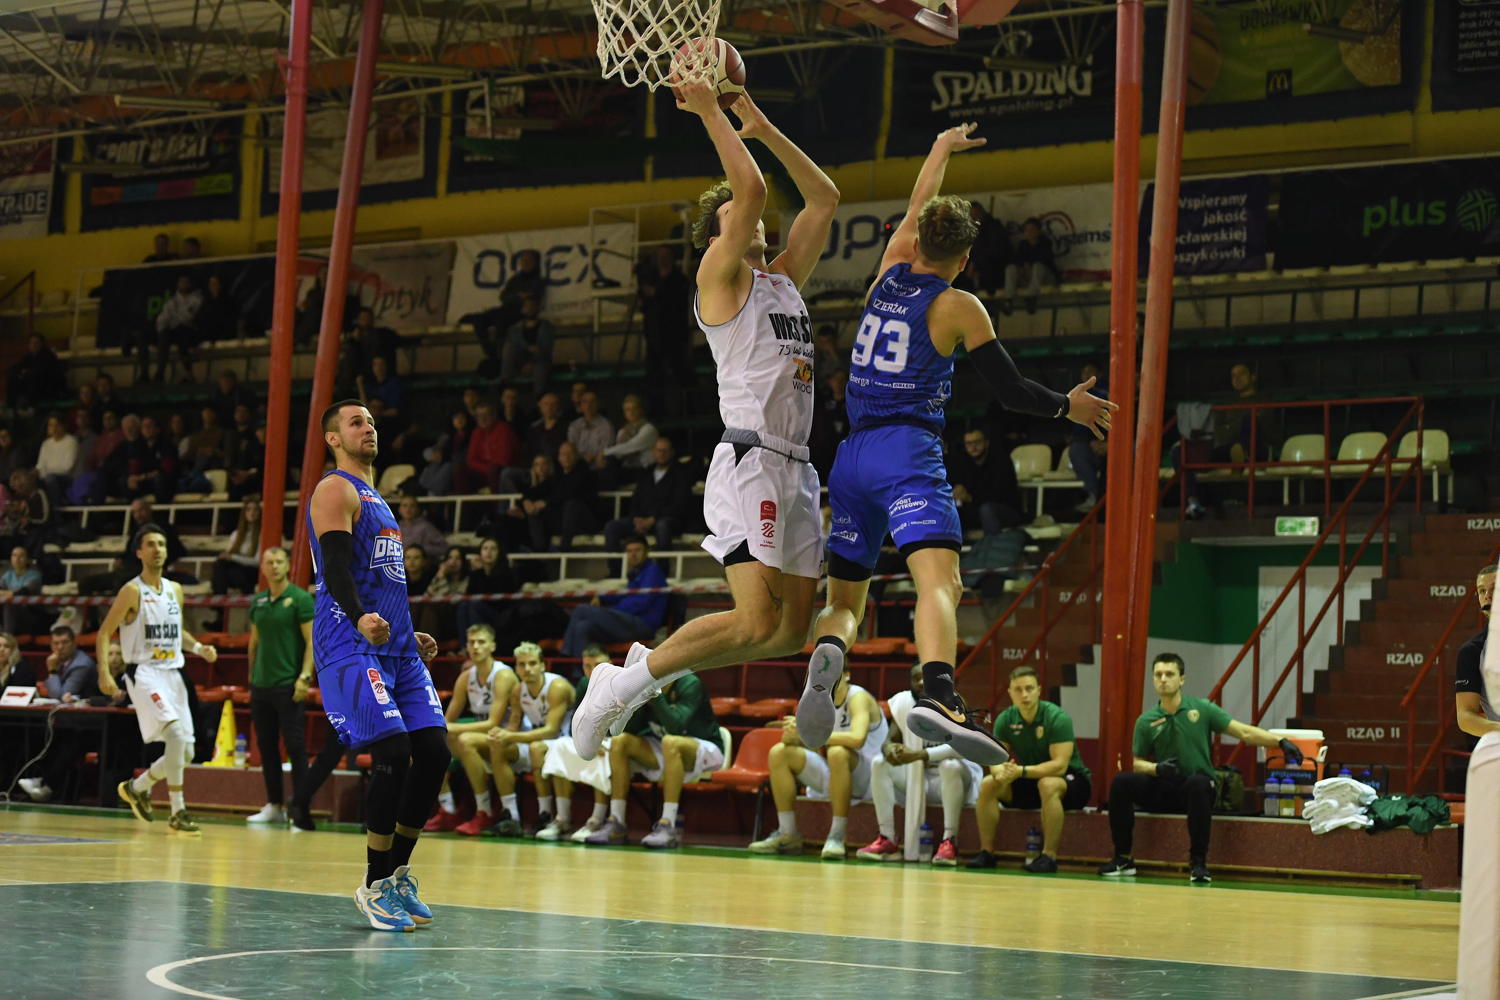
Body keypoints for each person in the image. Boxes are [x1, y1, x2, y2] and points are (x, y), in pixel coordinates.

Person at [797, 123, 1113, 766]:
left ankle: (828, 654)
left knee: (846, 599)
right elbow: (1010, 391)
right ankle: (940, 694)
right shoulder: (959, 306)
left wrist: (938, 148)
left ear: (915, 242)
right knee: (940, 581)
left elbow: (918, 204)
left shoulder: (888, 272)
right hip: (907, 453)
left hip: (851, 458)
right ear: (965, 259)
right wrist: (1068, 406)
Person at [571, 85, 840, 760]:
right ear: (716, 235)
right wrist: (712, 112)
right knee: (752, 618)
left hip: (798, 467)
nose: (752, 217)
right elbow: (750, 189)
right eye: (734, 216)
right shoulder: (719, 278)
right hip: (751, 461)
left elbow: (824, 198)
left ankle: (641, 673)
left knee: (787, 634)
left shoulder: (783, 279)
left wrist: (765, 126)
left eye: (749, 216)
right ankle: (619, 686)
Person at [307, 398, 448, 931]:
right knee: (392, 750)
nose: (367, 428)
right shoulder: (334, 489)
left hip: (396, 646)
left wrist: (410, 633)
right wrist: (361, 616)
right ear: (333, 438)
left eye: (370, 421)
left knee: (434, 752)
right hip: (350, 641)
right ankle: (373, 885)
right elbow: (337, 569)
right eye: (355, 422)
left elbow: (385, 578)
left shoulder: (378, 499)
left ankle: (397, 875)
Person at [1101, 653, 1303, 884]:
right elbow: (1137, 763)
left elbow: (1244, 732)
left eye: (1169, 674)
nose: (1163, 679)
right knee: (1121, 783)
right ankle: (1123, 858)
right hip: (1164, 786)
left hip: (1196, 789)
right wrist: (1157, 768)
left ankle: (1198, 863)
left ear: (1182, 679)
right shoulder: (1146, 721)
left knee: (1199, 784)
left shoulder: (1202, 709)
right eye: (1158, 675)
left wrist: (1280, 742)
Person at [96, 523, 219, 835]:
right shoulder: (132, 590)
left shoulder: (175, 589)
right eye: (150, 544)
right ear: (139, 552)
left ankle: (137, 787)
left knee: (186, 752)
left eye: (161, 544)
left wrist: (199, 647)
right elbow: (104, 633)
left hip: (173, 673)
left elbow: (178, 632)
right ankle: (178, 811)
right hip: (144, 672)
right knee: (175, 735)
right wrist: (104, 672)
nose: (157, 550)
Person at [748, 664, 886, 858]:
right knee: (779, 752)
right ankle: (787, 833)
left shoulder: (858, 697)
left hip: (871, 778)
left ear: (847, 675)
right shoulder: (818, 702)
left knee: (837, 752)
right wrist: (795, 735)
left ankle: (836, 836)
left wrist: (811, 733)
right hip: (838, 775)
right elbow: (809, 743)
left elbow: (857, 739)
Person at [966, 666, 1091, 872]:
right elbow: (995, 758)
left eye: (1029, 688)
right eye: (1018, 689)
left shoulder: (1057, 718)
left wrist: (1020, 772)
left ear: (1039, 690)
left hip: (1072, 781)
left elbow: (1059, 766)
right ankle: (986, 853)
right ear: (1010, 692)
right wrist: (1000, 773)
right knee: (988, 784)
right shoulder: (1006, 719)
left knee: (1048, 784)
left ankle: (1049, 856)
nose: (1024, 694)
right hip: (1032, 780)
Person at [860, 664, 983, 864]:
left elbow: (961, 748)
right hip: (919, 779)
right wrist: (890, 749)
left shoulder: (956, 704)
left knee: (949, 766)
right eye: (915, 678)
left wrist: (920, 755)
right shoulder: (904, 703)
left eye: (925, 677)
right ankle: (887, 839)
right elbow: (890, 740)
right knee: (880, 763)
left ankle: (949, 841)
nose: (921, 682)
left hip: (955, 782)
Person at [592, 673, 721, 849]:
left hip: (704, 746)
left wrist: (656, 696)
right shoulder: (646, 685)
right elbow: (631, 730)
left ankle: (668, 824)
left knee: (671, 742)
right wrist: (636, 702)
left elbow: (676, 727)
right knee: (620, 742)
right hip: (663, 745)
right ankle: (617, 822)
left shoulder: (690, 683)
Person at [241, 547, 315, 825]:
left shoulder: (300, 599)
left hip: (289, 684)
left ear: (287, 565)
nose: (274, 566)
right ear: (262, 567)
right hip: (261, 685)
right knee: (267, 747)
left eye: (279, 562)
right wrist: (251, 678)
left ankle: (301, 809)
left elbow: (311, 642)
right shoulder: (258, 601)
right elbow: (254, 642)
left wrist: (304, 677)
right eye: (269, 562)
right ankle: (274, 805)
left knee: (295, 747)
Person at [425, 624, 518, 835]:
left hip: (509, 737)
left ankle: (484, 811)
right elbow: (447, 720)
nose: (475, 647)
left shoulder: (503, 675)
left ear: (492, 646)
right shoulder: (467, 677)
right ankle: (448, 809)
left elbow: (493, 723)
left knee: (465, 740)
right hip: (483, 736)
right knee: (429, 743)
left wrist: (450, 727)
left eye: (481, 642)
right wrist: (439, 730)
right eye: (471, 642)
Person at [485, 641, 574, 838]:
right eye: (522, 664)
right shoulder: (518, 690)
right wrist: (501, 734)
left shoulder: (557, 686)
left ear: (542, 665)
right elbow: (513, 725)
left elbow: (551, 731)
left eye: (532, 663)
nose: (527, 669)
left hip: (564, 743)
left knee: (536, 748)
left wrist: (511, 735)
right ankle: (511, 815)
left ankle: (545, 813)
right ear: (516, 668)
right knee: (498, 746)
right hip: (536, 742)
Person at [15, 627, 101, 802]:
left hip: (92, 724)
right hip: (69, 722)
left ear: (74, 643)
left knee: (65, 742)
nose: (60, 647)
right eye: (56, 643)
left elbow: (61, 694)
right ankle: (40, 781)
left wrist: (52, 671)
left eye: (64, 643)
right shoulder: (63, 661)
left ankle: (47, 785)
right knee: (34, 735)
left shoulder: (81, 664)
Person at [562, 536, 668, 657]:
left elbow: (642, 602)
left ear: (646, 552)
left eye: (637, 550)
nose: (633, 554)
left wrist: (611, 610)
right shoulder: (637, 573)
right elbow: (625, 595)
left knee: (582, 610)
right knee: (583, 627)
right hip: (629, 623)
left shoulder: (652, 571)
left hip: (642, 625)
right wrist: (602, 598)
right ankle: (578, 668)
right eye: (629, 551)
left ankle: (565, 654)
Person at [604, 436, 694, 553]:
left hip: (668, 521)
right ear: (653, 452)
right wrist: (637, 519)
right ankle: (616, 565)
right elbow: (635, 500)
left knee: (663, 526)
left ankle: (662, 565)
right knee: (612, 527)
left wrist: (653, 519)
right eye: (659, 450)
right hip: (642, 520)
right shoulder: (646, 472)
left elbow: (679, 505)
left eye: (665, 451)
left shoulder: (680, 474)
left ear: (672, 452)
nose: (661, 454)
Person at [948, 426, 1024, 535]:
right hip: (975, 509)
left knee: (987, 509)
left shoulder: (1001, 461)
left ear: (986, 443)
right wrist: (957, 491)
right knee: (951, 508)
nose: (973, 447)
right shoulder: (963, 462)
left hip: (1005, 509)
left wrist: (970, 497)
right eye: (969, 443)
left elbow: (999, 495)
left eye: (977, 442)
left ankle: (992, 544)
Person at [1455, 563, 1498, 739]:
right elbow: (1466, 718)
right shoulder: (1472, 651)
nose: (1487, 596)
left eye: (1494, 588)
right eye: (1481, 591)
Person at [1068, 362, 1109, 511]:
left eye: (1090, 372)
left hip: (1113, 443)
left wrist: (1108, 442)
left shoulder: (1109, 393)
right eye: (1084, 372)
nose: (1086, 375)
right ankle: (1094, 495)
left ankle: (1112, 499)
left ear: (1099, 375)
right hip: (1089, 445)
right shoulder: (1076, 396)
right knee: (1076, 451)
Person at [149, 274, 204, 382]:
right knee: (164, 334)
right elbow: (162, 320)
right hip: (173, 331)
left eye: (185, 282)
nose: (183, 284)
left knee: (181, 335)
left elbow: (188, 318)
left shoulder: (197, 299)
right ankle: (160, 372)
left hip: (189, 331)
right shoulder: (172, 301)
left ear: (190, 284)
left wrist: (175, 318)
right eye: (181, 282)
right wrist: (169, 323)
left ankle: (188, 373)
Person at [501, 293, 554, 396]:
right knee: (509, 348)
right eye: (527, 306)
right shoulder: (515, 328)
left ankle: (539, 397)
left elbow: (546, 349)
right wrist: (528, 347)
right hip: (520, 360)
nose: (530, 309)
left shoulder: (546, 327)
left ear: (538, 308)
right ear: (522, 309)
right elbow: (514, 344)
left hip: (539, 361)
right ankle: (505, 386)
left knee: (540, 369)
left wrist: (532, 363)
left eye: (532, 306)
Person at [212, 497, 262, 595]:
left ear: (260, 513)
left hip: (253, 571)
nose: (252, 513)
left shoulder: (262, 534)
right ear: (244, 513)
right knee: (220, 564)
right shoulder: (236, 534)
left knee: (235, 573)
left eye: (255, 510)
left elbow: (257, 562)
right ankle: (220, 598)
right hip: (238, 571)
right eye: (248, 509)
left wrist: (232, 557)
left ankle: (220, 599)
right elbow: (228, 557)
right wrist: (227, 557)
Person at [0, 544, 44, 635]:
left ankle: (7, 637)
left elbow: (20, 593)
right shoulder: (8, 575)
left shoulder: (35, 575)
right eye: (14, 555)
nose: (17, 559)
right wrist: (10, 593)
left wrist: (7, 593)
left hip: (29, 614)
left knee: (10, 604)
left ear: (28, 560)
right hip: (7, 614)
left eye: (21, 556)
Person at [567, 391, 614, 469]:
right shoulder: (574, 425)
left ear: (598, 404)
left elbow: (607, 448)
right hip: (577, 465)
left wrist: (593, 456)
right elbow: (571, 447)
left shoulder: (606, 425)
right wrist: (582, 457)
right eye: (585, 402)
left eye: (592, 402)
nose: (588, 405)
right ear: (581, 405)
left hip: (598, 466)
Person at [397, 496, 447, 562]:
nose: (408, 509)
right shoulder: (395, 527)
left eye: (412, 506)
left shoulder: (426, 527)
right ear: (399, 510)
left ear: (417, 509)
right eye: (404, 506)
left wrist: (421, 549)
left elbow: (444, 548)